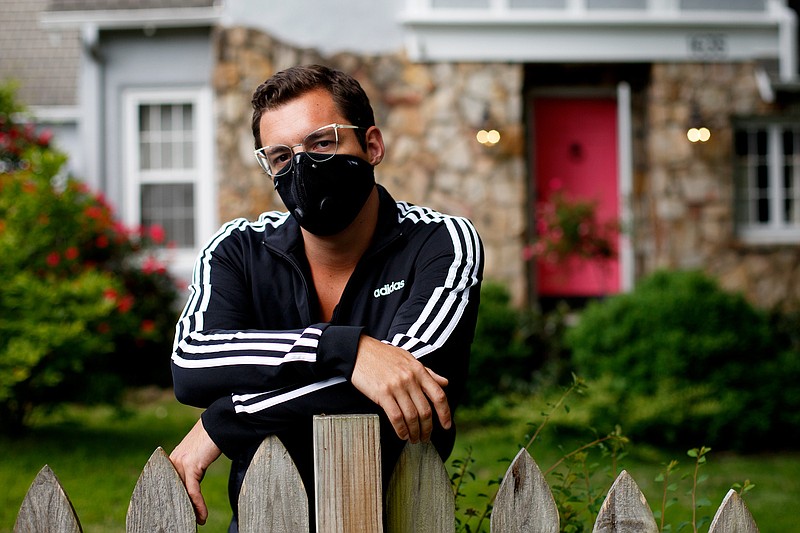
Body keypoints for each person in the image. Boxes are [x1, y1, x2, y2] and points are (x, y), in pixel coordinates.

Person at [168, 64, 483, 531]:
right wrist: (346, 351)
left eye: (322, 142)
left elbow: (408, 386)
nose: (301, 167)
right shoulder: (237, 249)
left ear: (371, 146)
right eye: (280, 156)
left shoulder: (441, 241)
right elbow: (193, 363)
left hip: (400, 515)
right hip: (267, 516)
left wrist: (226, 419)